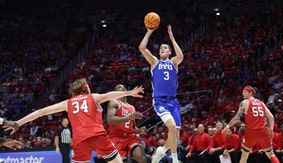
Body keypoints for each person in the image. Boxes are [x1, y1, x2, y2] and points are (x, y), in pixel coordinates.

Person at [4, 78, 144, 163]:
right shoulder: (93, 97)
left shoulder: (67, 102)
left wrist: (17, 123)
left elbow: (41, 112)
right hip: (98, 136)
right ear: (86, 88)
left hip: (80, 140)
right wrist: (129, 92)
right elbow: (109, 95)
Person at [139, 24, 184, 163]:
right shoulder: (154, 62)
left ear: (170, 52)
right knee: (170, 126)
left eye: (165, 48)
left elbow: (181, 55)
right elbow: (142, 48)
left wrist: (172, 38)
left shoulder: (173, 62)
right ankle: (175, 159)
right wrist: (149, 32)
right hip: (160, 101)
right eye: (161, 48)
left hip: (173, 102)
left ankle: (162, 150)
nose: (163, 49)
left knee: (176, 136)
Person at [222, 85, 280, 163]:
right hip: (263, 131)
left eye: (245, 92)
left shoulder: (245, 102)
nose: (242, 93)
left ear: (250, 93)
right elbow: (271, 117)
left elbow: (237, 118)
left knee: (244, 155)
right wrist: (271, 130)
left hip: (251, 132)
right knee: (271, 154)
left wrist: (228, 125)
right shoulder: (261, 102)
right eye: (242, 92)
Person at [107, 84, 147, 163]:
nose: (121, 87)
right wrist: (129, 117)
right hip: (117, 138)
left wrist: (139, 130)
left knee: (142, 158)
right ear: (115, 92)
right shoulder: (114, 102)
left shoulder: (132, 107)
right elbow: (110, 120)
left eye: (123, 87)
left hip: (130, 137)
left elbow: (132, 128)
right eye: (119, 87)